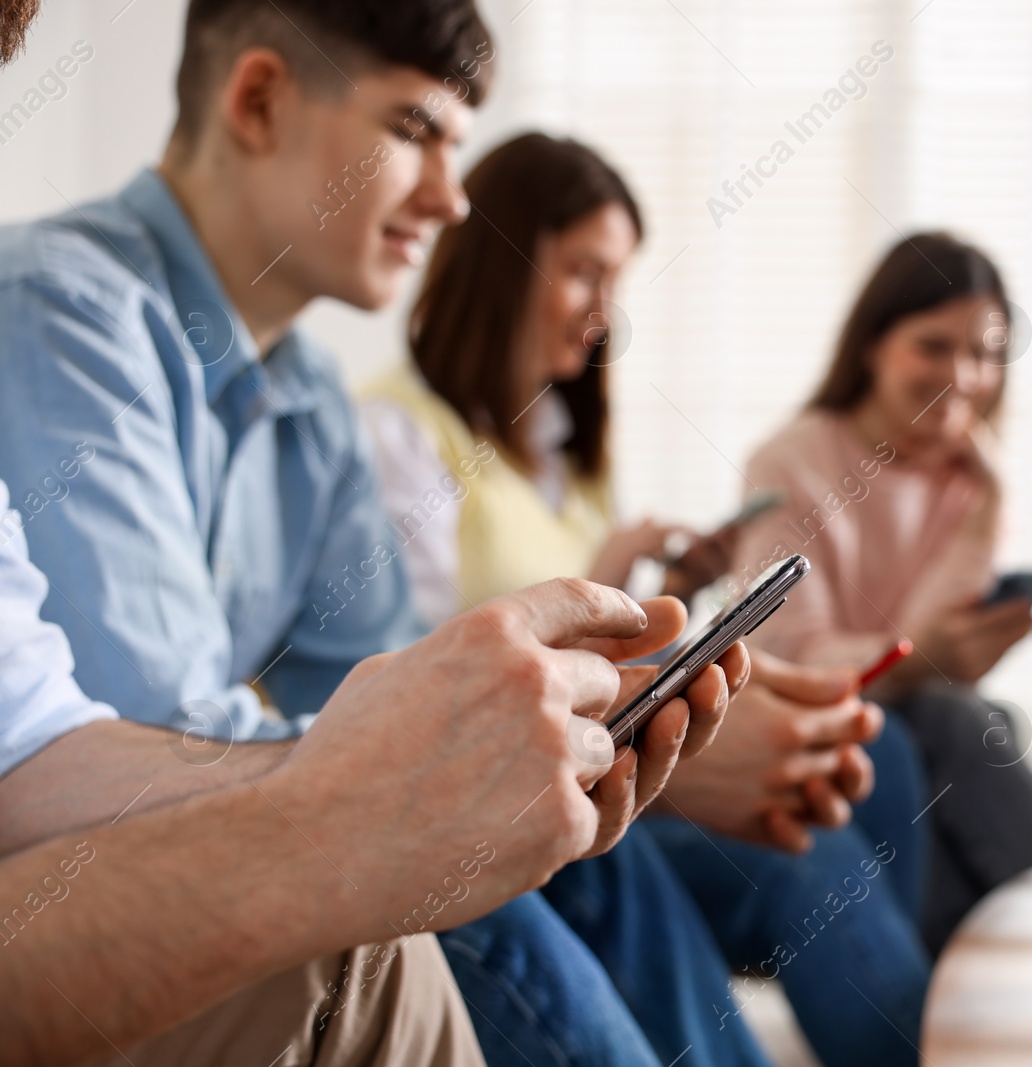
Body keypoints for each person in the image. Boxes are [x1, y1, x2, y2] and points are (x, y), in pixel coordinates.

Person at [0, 2, 744, 1064]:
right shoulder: (58, 310)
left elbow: (372, 688)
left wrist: (512, 740)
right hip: (100, 863)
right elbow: (142, 743)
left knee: (561, 849)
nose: (451, 199)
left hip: (115, 813)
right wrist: (417, 776)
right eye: (413, 132)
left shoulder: (312, 398)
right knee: (445, 889)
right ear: (257, 99)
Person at [362, 132, 930, 1067]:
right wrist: (601, 569)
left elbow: (598, 653)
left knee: (887, 752)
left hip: (602, 756)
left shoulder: (562, 451)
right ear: (499, 262)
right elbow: (421, 677)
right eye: (585, 272)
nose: (604, 314)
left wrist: (658, 597)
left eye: (616, 281)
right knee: (804, 852)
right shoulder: (398, 437)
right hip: (522, 793)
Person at [728, 232, 1032, 953]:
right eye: (934, 345)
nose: (965, 374)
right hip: (819, 730)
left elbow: (943, 636)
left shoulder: (970, 480)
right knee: (953, 718)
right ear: (872, 345)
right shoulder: (791, 461)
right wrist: (918, 659)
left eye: (985, 352)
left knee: (960, 718)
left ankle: (997, 988)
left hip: (919, 726)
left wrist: (992, 501)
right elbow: (787, 657)